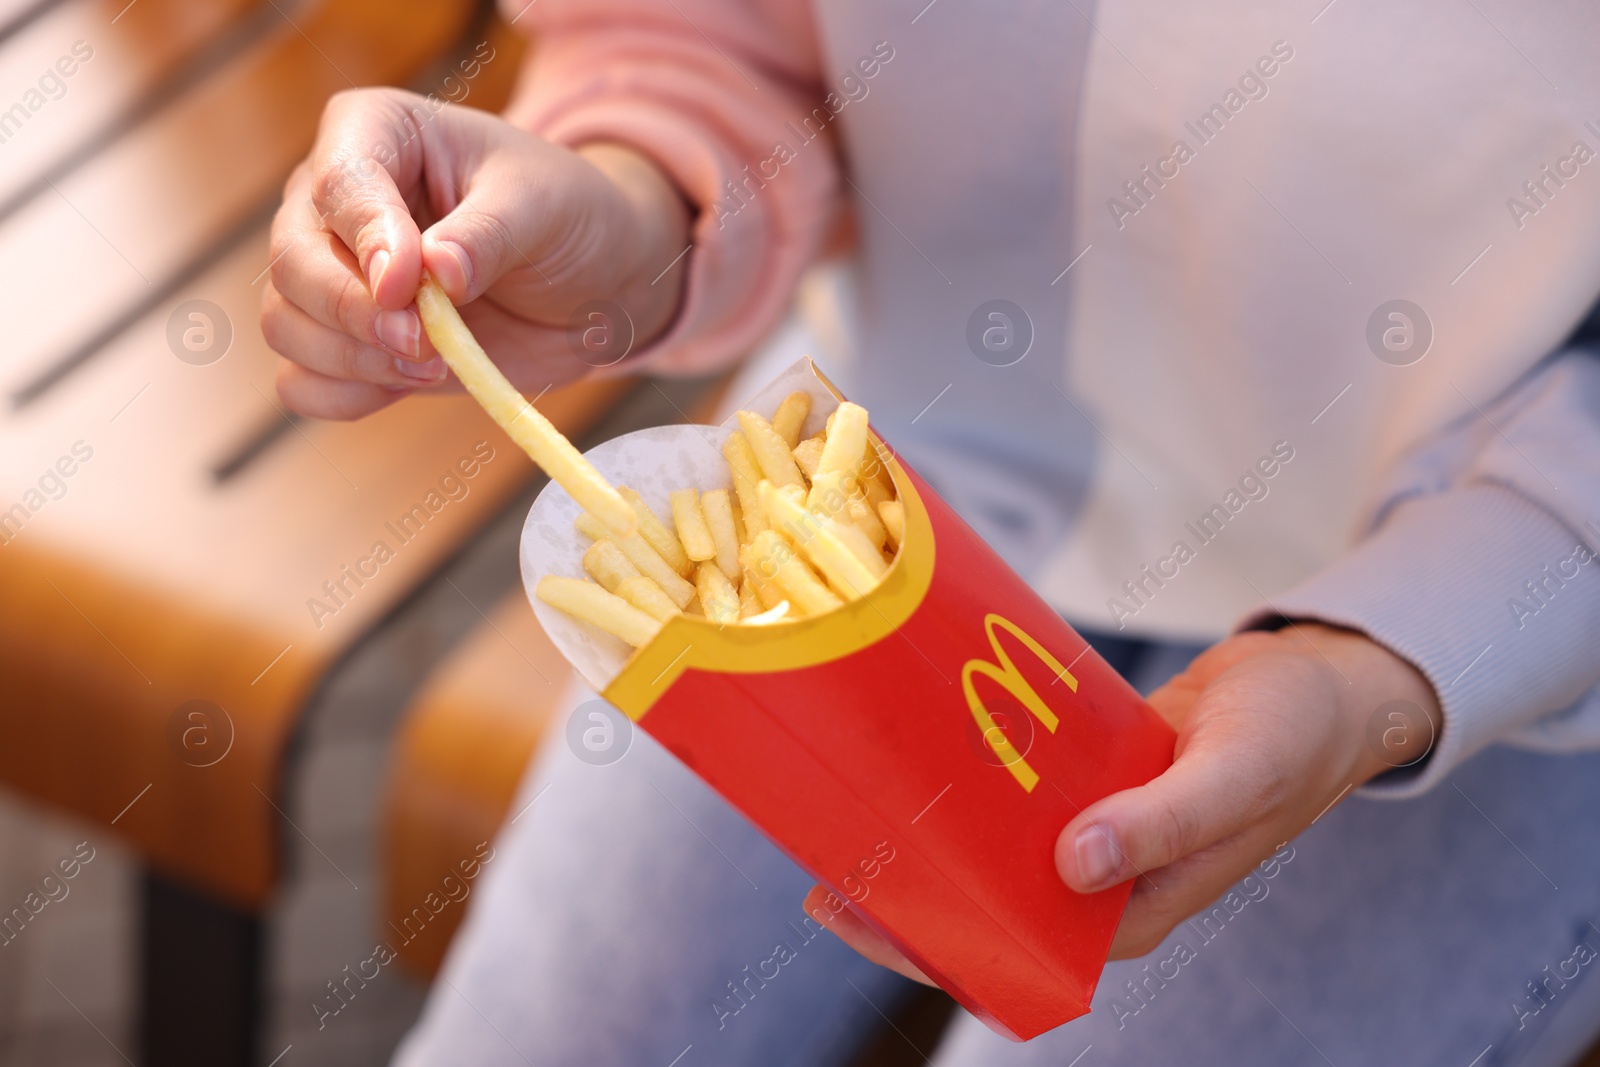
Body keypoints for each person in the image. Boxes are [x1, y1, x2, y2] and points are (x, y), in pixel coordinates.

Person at [262, 2, 1600, 1064]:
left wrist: (1390, 664)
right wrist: (627, 194)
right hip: (891, 457)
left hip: (1518, 632)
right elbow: (705, 31)